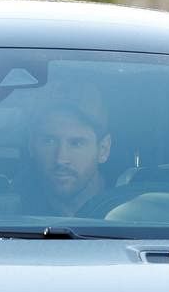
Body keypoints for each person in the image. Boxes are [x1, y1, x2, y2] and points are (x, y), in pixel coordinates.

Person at [18, 82, 112, 217]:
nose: (61, 159)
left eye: (76, 143)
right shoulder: (7, 211)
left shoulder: (134, 213)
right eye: (49, 141)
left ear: (103, 149)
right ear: (31, 145)